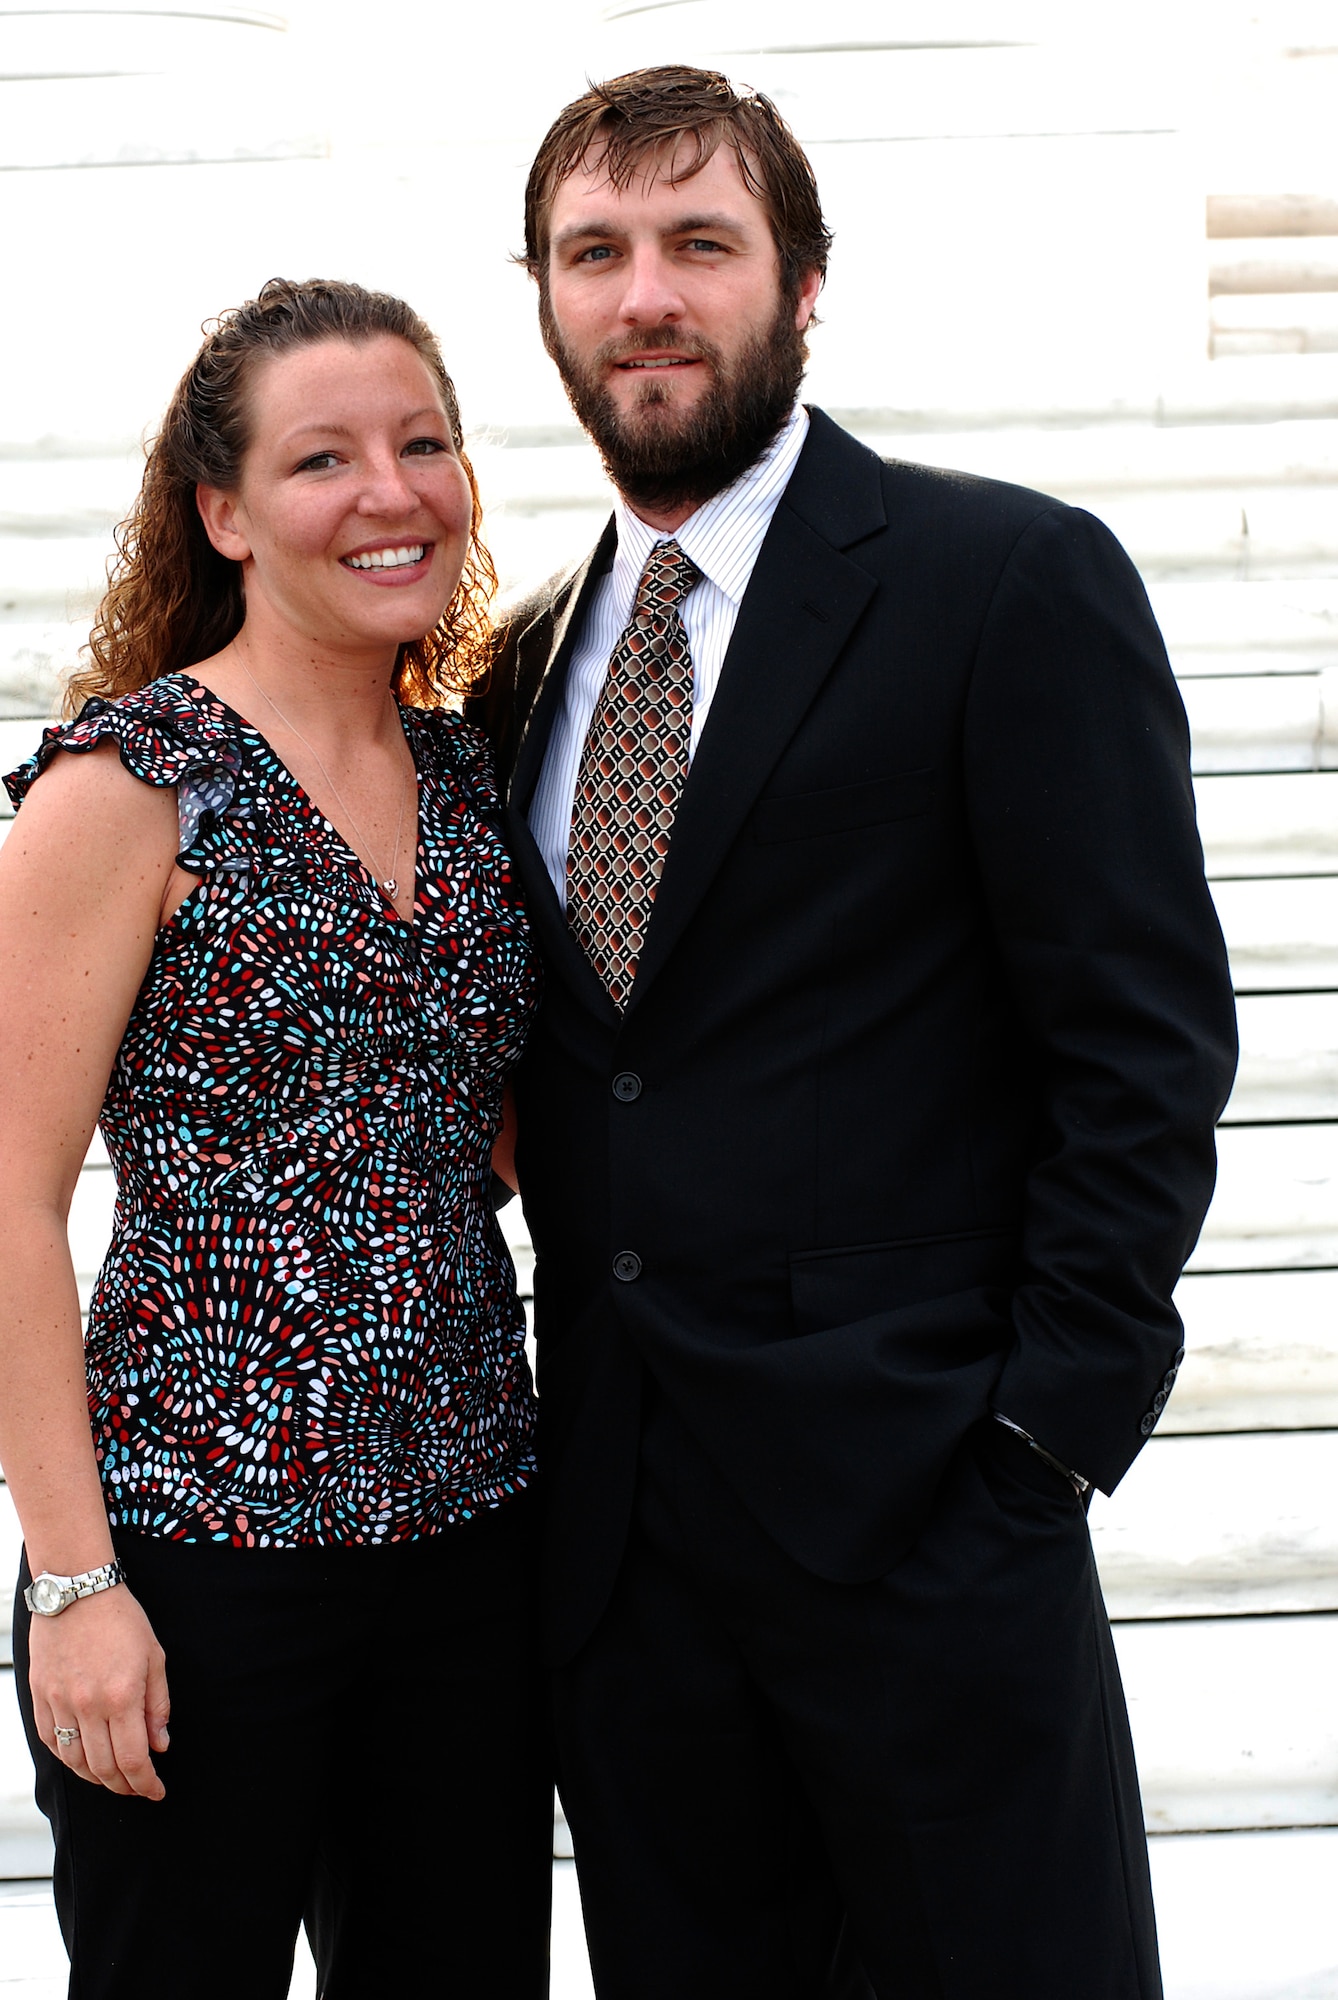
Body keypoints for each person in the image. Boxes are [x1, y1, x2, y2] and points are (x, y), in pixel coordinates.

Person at [470, 65, 1239, 2000]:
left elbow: (1140, 1043)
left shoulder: (1002, 582)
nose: (644, 293)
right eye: (595, 252)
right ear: (547, 298)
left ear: (802, 284)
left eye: (698, 243)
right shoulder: (515, 669)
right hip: (628, 1572)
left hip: (927, 1524)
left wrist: (1039, 1441)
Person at [0, 278, 550, 2000]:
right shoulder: (130, 783)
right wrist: (73, 1580)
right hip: (198, 1559)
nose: (389, 492)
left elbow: (498, 1135)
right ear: (224, 512)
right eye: (324, 458)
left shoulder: (477, 775)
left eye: (423, 443)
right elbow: (9, 1199)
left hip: (471, 1538)